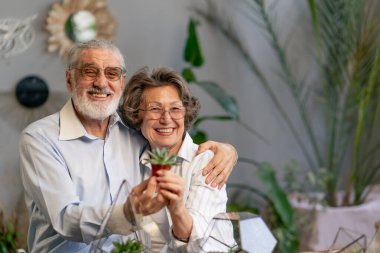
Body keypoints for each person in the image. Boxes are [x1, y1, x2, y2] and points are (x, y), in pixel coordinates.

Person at [19, 39, 237, 253]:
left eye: (111, 73)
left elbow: (173, 137)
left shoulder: (135, 132)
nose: (102, 83)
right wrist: (126, 214)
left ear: (121, 83)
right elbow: (65, 219)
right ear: (69, 79)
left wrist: (227, 151)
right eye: (90, 72)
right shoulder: (40, 138)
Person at [121, 67, 230, 252]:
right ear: (137, 115)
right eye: (155, 109)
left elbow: (200, 243)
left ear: (186, 112)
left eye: (175, 109)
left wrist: (177, 208)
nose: (166, 119)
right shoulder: (133, 160)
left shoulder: (205, 162)